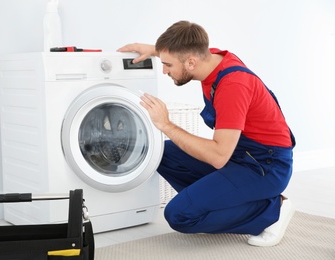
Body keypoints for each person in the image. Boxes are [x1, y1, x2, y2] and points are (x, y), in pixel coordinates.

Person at [117, 20, 296, 247]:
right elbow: (187, 49)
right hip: (241, 156)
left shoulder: (233, 86)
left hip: (265, 167)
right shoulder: (209, 59)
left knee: (179, 215)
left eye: (168, 65)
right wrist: (153, 49)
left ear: (191, 62)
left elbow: (218, 157)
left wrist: (167, 125)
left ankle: (272, 210)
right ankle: (215, 203)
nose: (164, 70)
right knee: (160, 152)